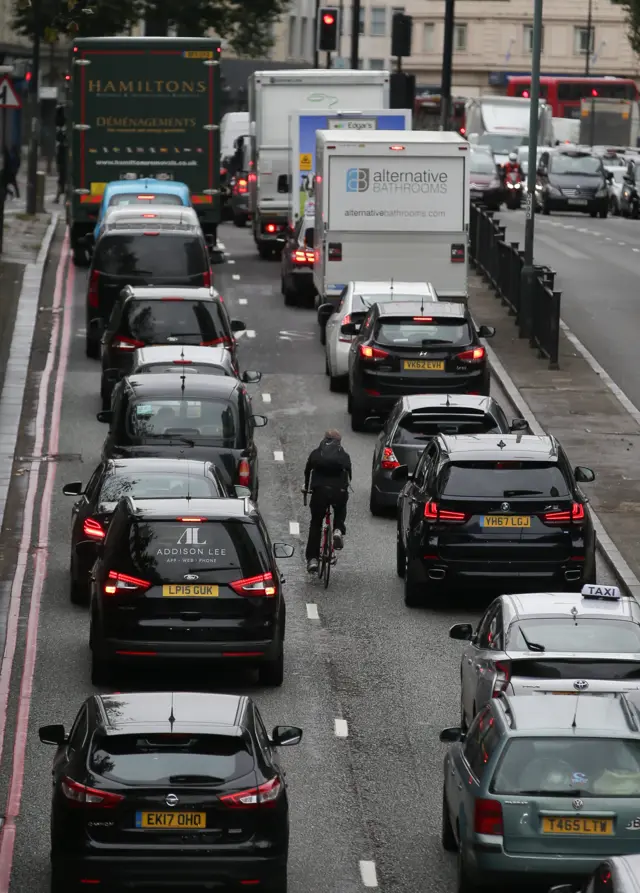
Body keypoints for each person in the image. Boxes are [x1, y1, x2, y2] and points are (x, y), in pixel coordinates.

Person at [304, 429, 352, 574]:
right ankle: (337, 529)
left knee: (316, 523)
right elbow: (349, 474)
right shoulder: (343, 455)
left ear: (325, 439)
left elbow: (307, 471)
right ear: (339, 442)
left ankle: (312, 559)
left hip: (319, 492)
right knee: (340, 508)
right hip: (338, 492)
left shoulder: (316, 453)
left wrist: (306, 487)